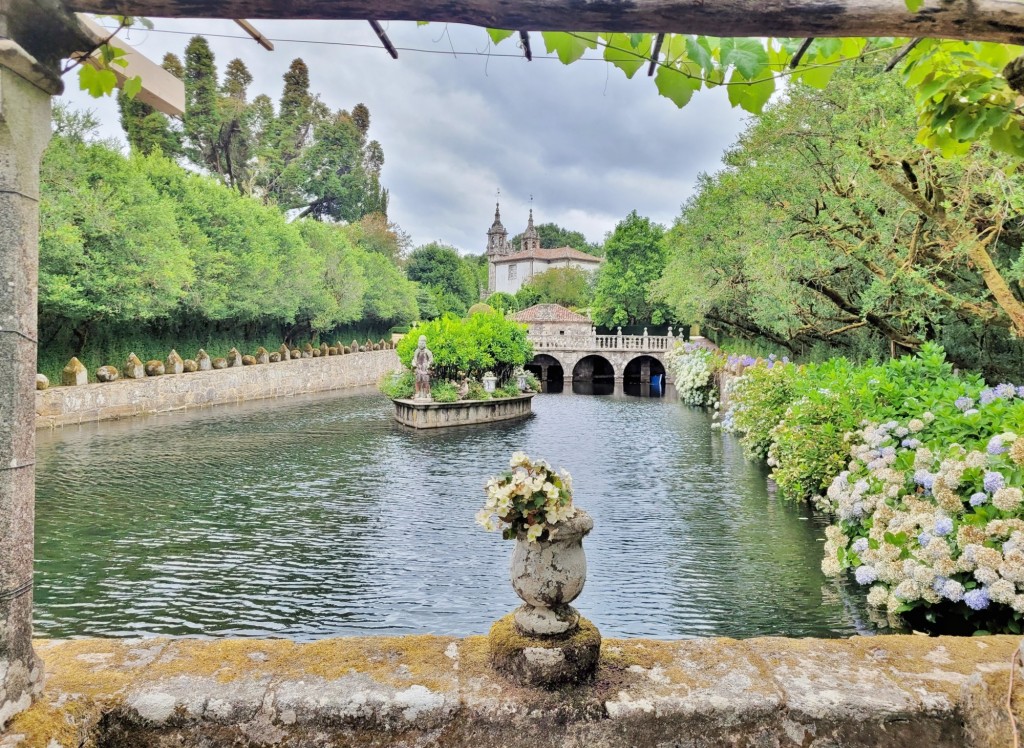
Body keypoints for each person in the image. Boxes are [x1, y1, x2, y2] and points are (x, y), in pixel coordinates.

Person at [412, 335, 433, 399]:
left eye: (422, 343)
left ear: (425, 343)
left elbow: (431, 359)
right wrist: (414, 363)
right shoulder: (416, 351)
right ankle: (417, 392)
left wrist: (429, 364)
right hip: (419, 367)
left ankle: (427, 393)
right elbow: (414, 358)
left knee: (426, 380)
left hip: (425, 368)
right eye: (420, 343)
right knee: (417, 379)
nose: (421, 344)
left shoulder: (428, 351)